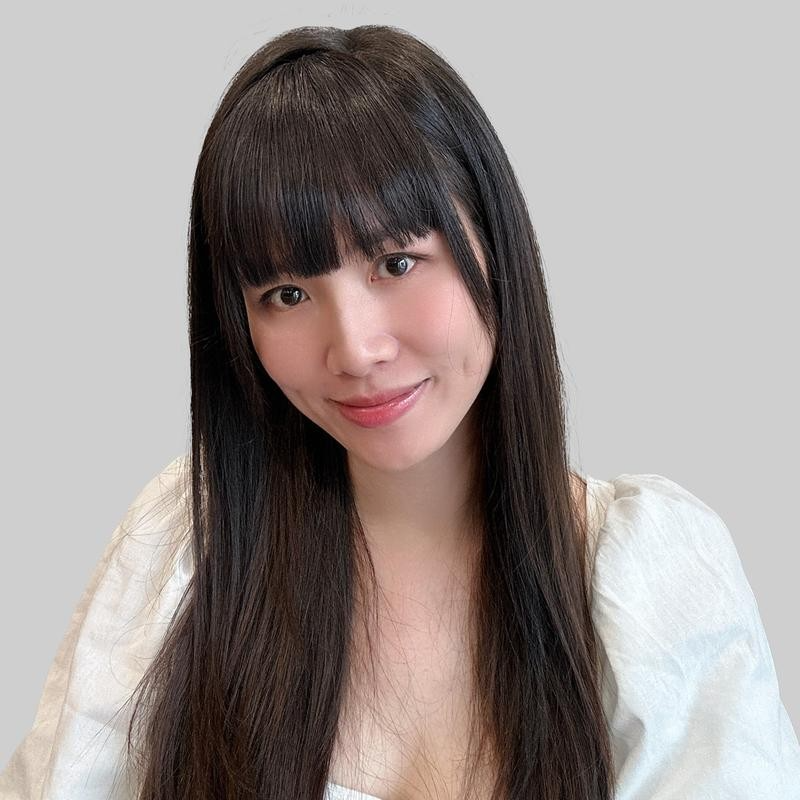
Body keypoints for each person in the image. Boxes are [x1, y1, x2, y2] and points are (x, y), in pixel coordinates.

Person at [1, 23, 799, 800]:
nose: (354, 349)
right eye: (287, 294)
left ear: (494, 245)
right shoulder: (186, 546)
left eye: (397, 261)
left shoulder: (653, 576)